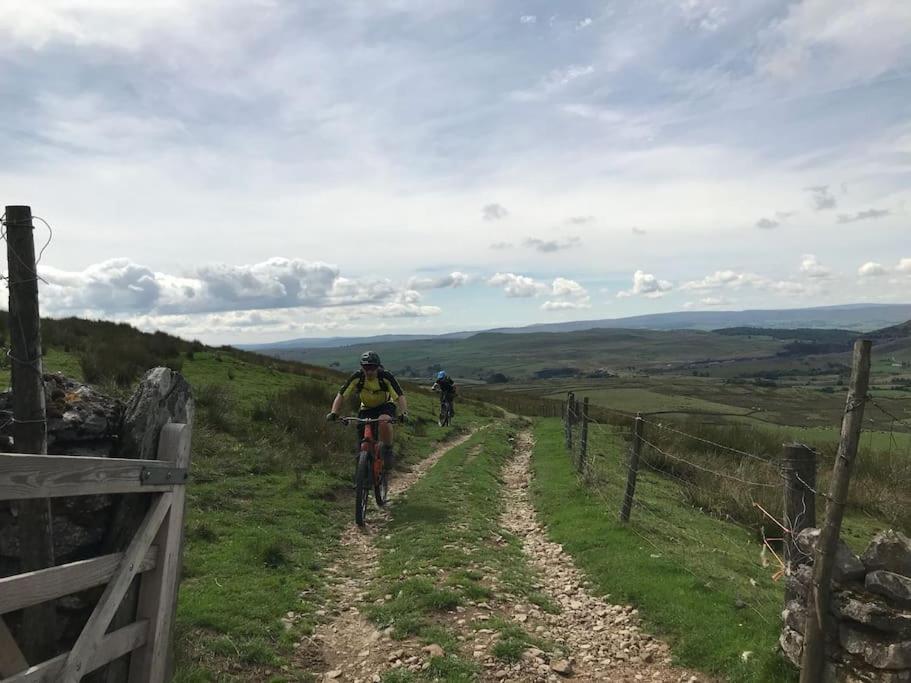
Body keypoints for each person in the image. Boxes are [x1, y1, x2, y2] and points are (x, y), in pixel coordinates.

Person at [326, 351, 408, 470]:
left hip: (385, 405)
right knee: (362, 444)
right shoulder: (357, 377)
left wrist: (404, 413)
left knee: (384, 421)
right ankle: (362, 476)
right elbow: (341, 395)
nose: (369, 371)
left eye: (372, 367)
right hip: (366, 408)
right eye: (366, 367)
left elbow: (400, 395)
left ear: (378, 367)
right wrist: (334, 412)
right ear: (362, 367)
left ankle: (388, 450)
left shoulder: (385, 377)